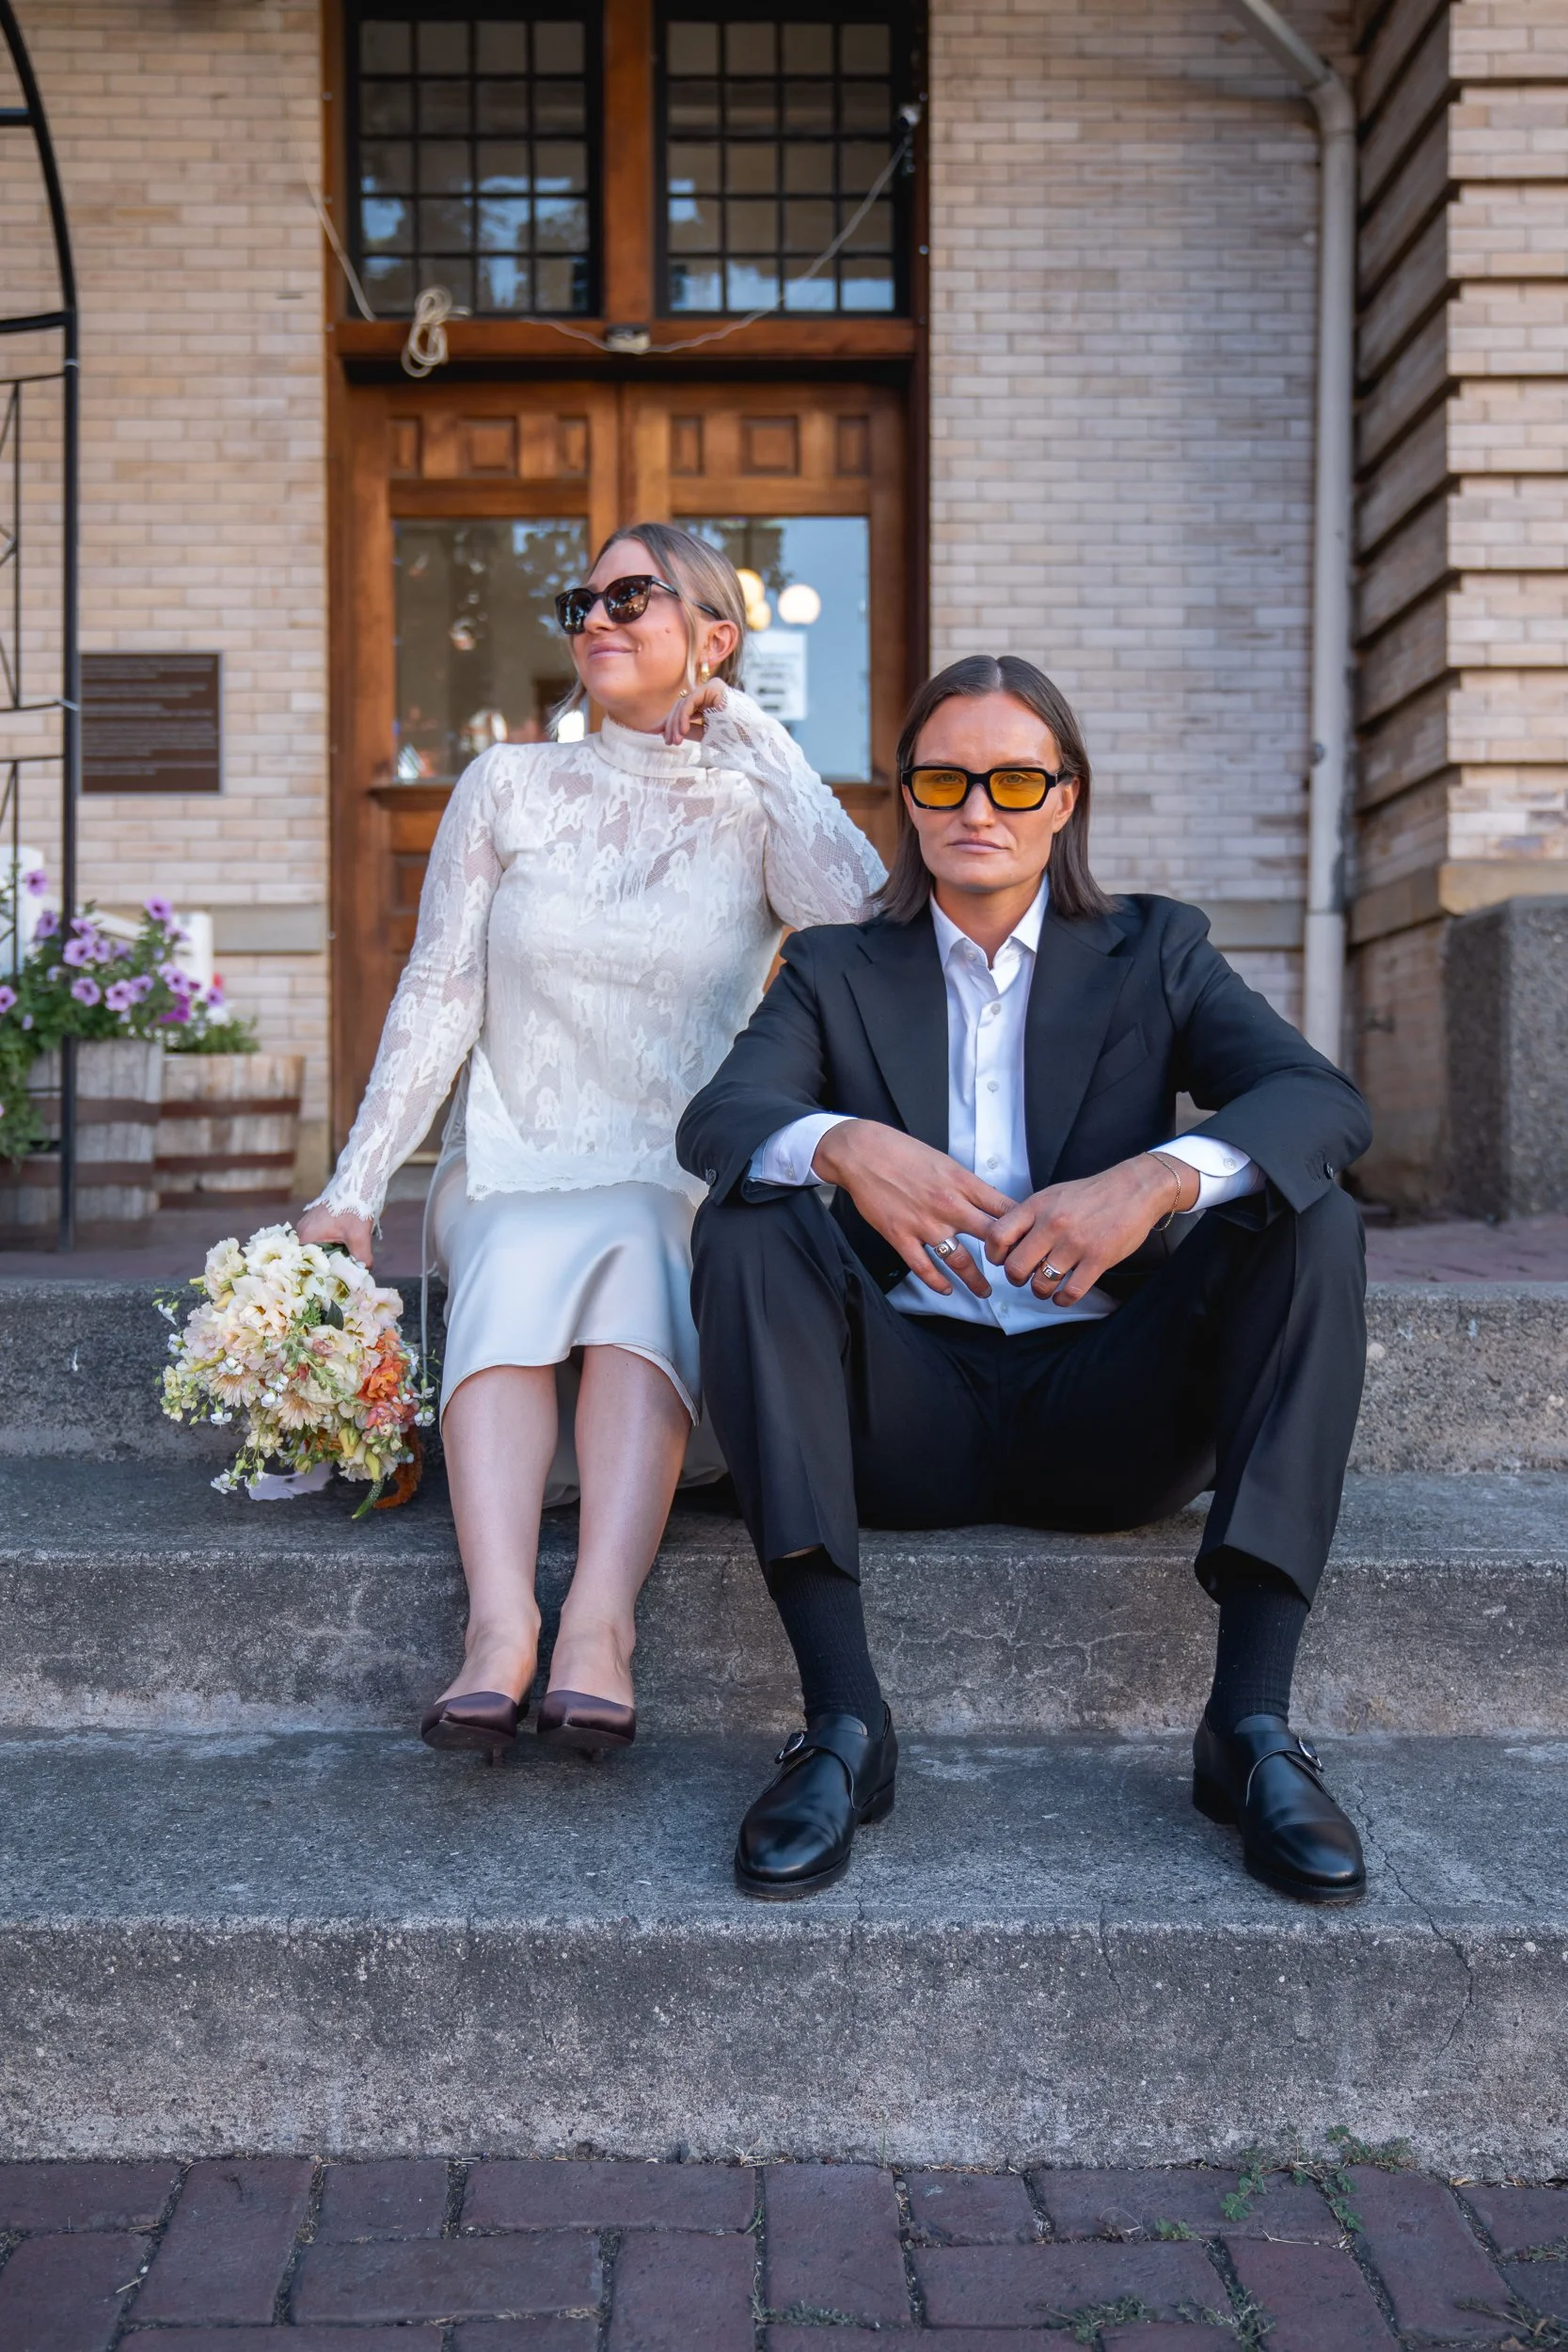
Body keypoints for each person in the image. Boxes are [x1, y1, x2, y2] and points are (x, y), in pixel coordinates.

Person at [677, 654, 1372, 1906]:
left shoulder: (1155, 949)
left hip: (1110, 1410)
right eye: (942, 778)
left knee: (1305, 1215)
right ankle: (841, 1724)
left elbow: (1318, 1101)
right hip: (906, 1415)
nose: (976, 807)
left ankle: (1249, 1728)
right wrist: (840, 1142)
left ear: (1064, 798)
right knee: (749, 1213)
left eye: (1012, 777)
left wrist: (1155, 1180)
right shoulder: (837, 966)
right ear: (906, 797)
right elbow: (722, 1117)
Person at [298, 524, 884, 1764]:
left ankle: (598, 1629)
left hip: (671, 1164)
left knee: (634, 1233)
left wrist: (761, 744)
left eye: (633, 596)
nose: (597, 620)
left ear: (713, 636)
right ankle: (499, 1626)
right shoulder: (505, 786)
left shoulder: (752, 812)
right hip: (512, 1146)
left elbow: (866, 926)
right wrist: (355, 1187)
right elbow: (441, 985)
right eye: (583, 601)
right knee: (513, 1244)